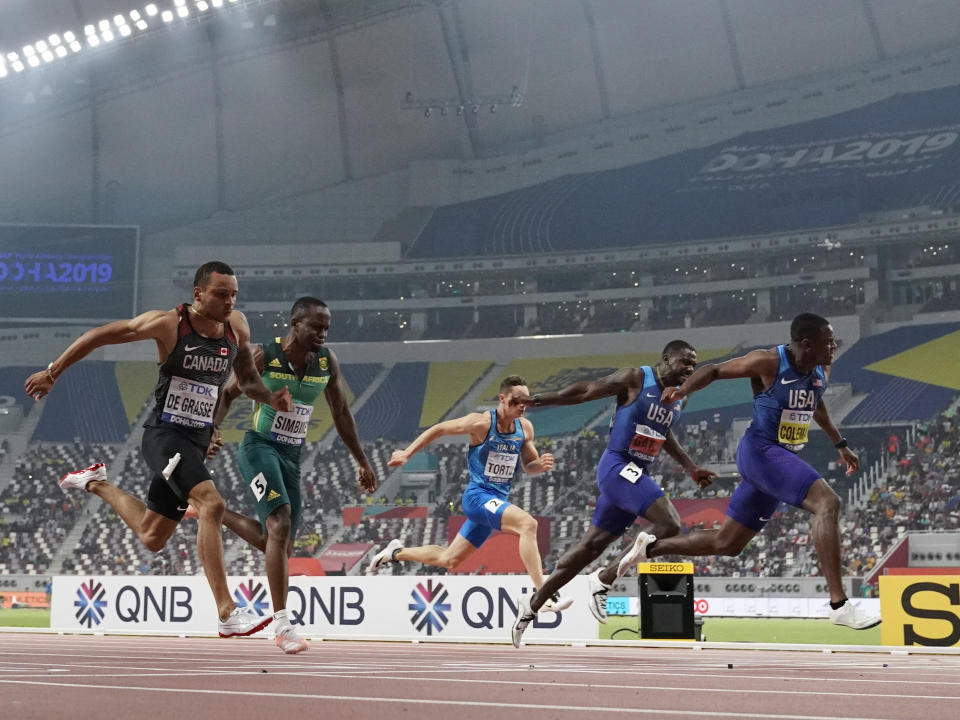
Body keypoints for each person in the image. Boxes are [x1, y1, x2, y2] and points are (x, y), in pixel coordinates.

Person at [24, 261, 292, 638]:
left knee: (152, 536)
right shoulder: (169, 324)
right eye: (221, 294)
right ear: (198, 293)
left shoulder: (238, 327)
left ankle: (95, 482)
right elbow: (101, 334)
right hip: (165, 435)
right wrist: (53, 372)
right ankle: (227, 612)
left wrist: (268, 398)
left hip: (196, 440)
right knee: (211, 504)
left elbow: (246, 379)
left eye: (233, 294)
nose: (229, 301)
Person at [620, 313, 879, 629]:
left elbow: (816, 403)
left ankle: (649, 546)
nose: (834, 346)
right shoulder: (769, 362)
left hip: (778, 458)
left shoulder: (821, 367)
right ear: (807, 344)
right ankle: (839, 605)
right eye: (828, 341)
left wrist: (840, 444)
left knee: (727, 544)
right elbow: (714, 370)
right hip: (760, 452)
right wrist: (683, 390)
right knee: (828, 502)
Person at [510, 340, 717, 646]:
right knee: (670, 524)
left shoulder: (678, 400)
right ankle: (603, 580)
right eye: (685, 362)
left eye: (694, 364)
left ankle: (532, 605)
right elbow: (585, 391)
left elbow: (663, 433)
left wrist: (690, 467)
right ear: (666, 360)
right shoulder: (636, 379)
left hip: (634, 475)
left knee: (589, 548)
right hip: (617, 466)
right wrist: (536, 400)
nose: (690, 369)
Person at [206, 296, 378, 654]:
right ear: (295, 323)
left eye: (326, 328)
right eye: (316, 326)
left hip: (292, 455)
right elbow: (228, 393)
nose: (322, 334)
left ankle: (217, 513)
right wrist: (213, 430)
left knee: (280, 542)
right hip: (258, 447)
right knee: (280, 525)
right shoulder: (264, 355)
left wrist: (361, 460)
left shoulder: (327, 361)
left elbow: (341, 413)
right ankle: (283, 625)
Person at [366, 375, 572, 613]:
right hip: (478, 497)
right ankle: (543, 594)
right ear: (502, 399)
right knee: (528, 524)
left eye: (526, 400)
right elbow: (440, 428)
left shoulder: (525, 428)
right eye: (516, 400)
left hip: (494, 502)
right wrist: (408, 453)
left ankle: (396, 552)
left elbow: (529, 466)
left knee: (449, 560)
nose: (522, 404)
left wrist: (541, 465)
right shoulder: (482, 423)